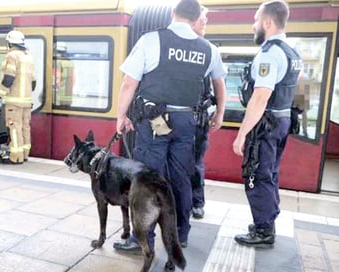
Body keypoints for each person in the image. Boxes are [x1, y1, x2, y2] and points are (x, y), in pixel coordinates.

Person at [114, 0, 225, 251]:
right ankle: (180, 234)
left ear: (174, 13)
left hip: (156, 122)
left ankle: (143, 240)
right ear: (196, 18)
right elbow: (219, 83)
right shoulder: (208, 49)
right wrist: (219, 113)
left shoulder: (151, 40)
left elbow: (129, 83)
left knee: (149, 180)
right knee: (180, 178)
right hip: (188, 122)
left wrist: (121, 116)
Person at [232, 0, 302, 247]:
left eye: (255, 20)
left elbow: (260, 97)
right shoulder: (292, 52)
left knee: (257, 173)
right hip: (281, 120)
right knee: (270, 172)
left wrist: (241, 135)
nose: (253, 25)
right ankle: (266, 221)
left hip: (266, 123)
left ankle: (263, 232)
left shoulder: (270, 53)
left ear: (268, 22)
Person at [190, 6, 226, 219]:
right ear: (192, 20)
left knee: (194, 162)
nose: (205, 23)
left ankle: (196, 202)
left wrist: (220, 112)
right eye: (203, 19)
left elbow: (219, 83)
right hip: (177, 118)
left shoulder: (209, 49)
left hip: (198, 120)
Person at [0, 30, 36, 164]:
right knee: (25, 127)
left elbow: (8, 78)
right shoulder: (28, 57)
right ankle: (24, 154)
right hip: (27, 101)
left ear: (10, 42)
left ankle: (16, 157)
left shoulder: (11, 56)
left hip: (14, 102)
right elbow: (33, 82)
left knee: (14, 127)